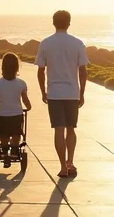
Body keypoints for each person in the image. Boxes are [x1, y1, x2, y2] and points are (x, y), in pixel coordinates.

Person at [35, 10, 88, 177]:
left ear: (53, 23)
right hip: (72, 93)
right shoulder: (77, 43)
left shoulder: (45, 43)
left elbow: (40, 71)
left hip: (54, 94)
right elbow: (83, 71)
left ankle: (63, 167)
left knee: (58, 130)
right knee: (71, 129)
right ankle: (70, 162)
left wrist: (43, 91)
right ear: (69, 23)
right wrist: (82, 93)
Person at [0, 52, 32, 158]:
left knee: (3, 134)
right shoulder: (21, 83)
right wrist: (29, 107)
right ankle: (15, 150)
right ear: (17, 68)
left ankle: (4, 150)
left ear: (3, 67)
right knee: (16, 133)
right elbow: (25, 99)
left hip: (2, 115)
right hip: (17, 115)